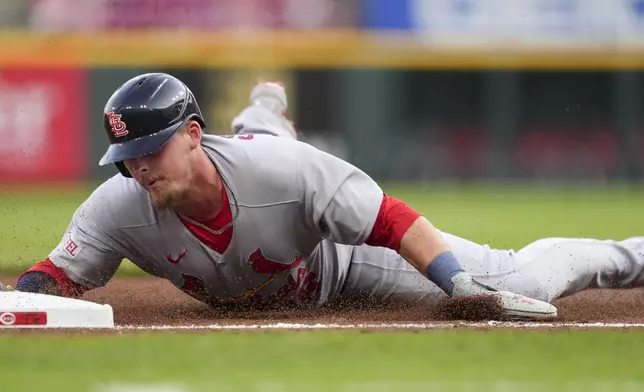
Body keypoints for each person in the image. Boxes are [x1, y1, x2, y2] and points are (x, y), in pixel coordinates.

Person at [5, 72, 632, 320]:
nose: (138, 168)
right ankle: (264, 112)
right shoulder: (117, 206)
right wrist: (17, 299)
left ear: (192, 134)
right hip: (255, 173)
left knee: (522, 275)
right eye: (125, 158)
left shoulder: (284, 175)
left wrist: (459, 281)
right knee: (260, 147)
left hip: (342, 256)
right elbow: (58, 273)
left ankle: (628, 253)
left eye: (151, 150)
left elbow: (390, 218)